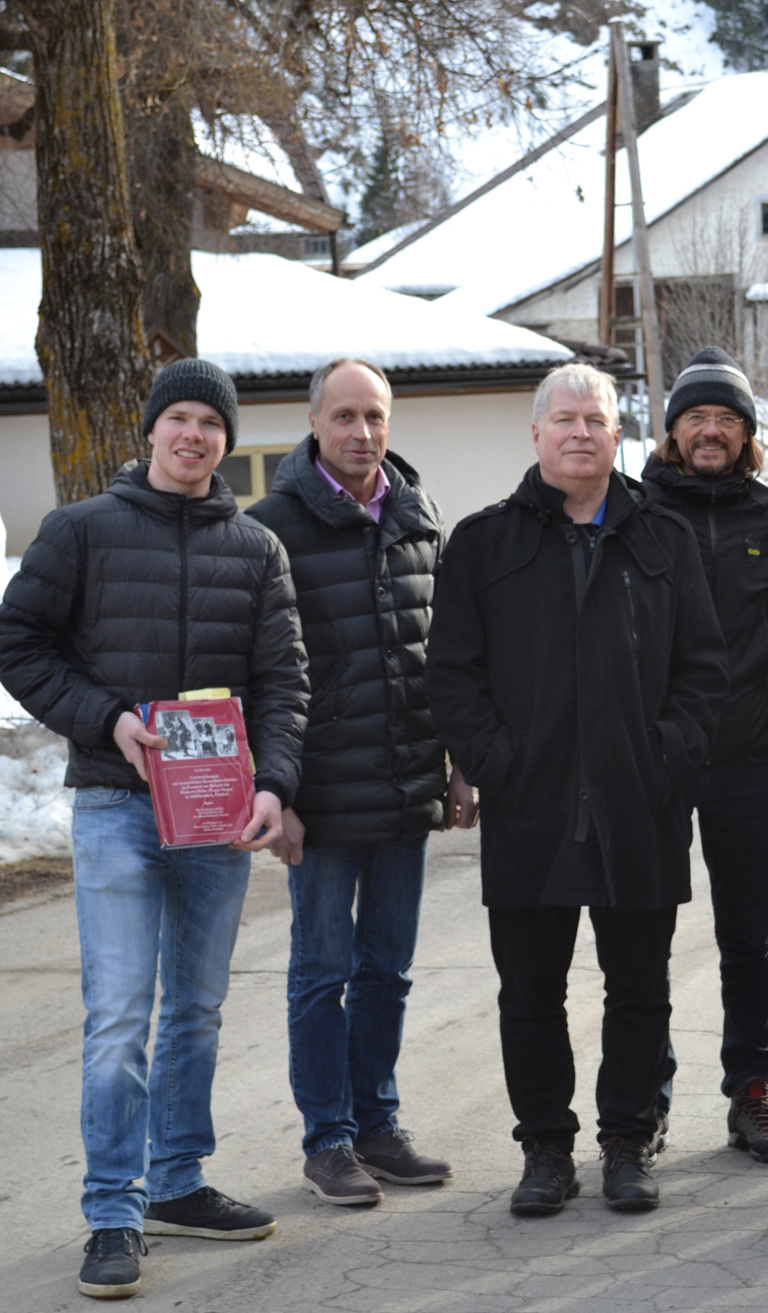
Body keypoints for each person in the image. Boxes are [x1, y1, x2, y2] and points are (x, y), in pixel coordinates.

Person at [0, 359, 308, 1300]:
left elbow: (286, 685)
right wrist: (107, 718)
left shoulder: (256, 548)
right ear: (150, 429)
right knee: (123, 1014)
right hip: (117, 805)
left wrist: (274, 785)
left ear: (227, 439)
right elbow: (18, 643)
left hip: (216, 813)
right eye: (178, 416)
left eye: (212, 421)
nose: (194, 434)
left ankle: (176, 1181)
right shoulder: (82, 530)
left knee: (198, 1010)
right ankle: (111, 1211)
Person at [428, 362, 727, 1217]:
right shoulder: (485, 544)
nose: (580, 432)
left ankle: (629, 1141)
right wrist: (497, 760)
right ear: (536, 434)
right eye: (563, 419)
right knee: (530, 992)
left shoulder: (663, 538)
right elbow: (452, 673)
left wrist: (667, 755)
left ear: (615, 433)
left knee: (640, 987)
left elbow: (706, 670)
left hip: (641, 806)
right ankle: (546, 1150)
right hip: (532, 808)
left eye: (595, 419)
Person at [245, 357, 472, 1207]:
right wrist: (280, 792)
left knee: (388, 969)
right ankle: (328, 1139)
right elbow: (258, 671)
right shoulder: (273, 525)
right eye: (343, 416)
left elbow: (444, 654)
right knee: (320, 970)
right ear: (314, 424)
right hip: (320, 796)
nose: (361, 432)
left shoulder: (419, 517)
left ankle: (377, 1123)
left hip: (407, 781)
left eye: (373, 416)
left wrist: (459, 763)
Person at [641, 347, 768, 1163]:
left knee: (750, 936)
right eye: (697, 418)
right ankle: (646, 1103)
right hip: (654, 762)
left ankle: (751, 1093)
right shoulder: (633, 511)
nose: (711, 431)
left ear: (746, 436)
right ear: (673, 430)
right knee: (646, 938)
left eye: (727, 421)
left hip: (743, 757)